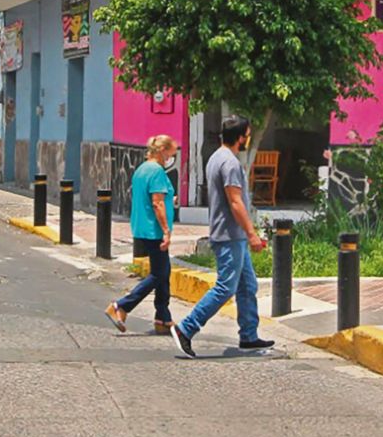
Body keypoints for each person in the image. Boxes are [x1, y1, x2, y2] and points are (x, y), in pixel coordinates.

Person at [170, 116, 275, 357]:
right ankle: (186, 328)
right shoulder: (229, 163)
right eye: (247, 135)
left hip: (230, 233)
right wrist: (252, 234)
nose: (248, 139)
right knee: (226, 287)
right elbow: (235, 201)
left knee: (248, 285)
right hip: (230, 235)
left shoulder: (217, 157)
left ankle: (249, 335)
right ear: (240, 137)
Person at [106, 135, 180, 335]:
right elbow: (157, 203)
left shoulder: (142, 169)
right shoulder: (156, 171)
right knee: (159, 274)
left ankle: (163, 318)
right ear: (162, 150)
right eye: (171, 153)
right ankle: (121, 306)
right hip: (153, 229)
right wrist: (166, 231)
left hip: (142, 227)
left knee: (163, 272)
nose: (171, 157)